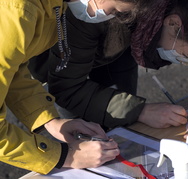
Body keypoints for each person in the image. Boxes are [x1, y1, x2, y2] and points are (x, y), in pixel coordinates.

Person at [29, 0, 188, 143]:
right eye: (187, 57)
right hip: (63, 54)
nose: (184, 63)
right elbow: (67, 86)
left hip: (120, 45)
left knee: (119, 130)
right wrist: (139, 111)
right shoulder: (94, 12)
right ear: (173, 24)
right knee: (86, 137)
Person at [0, 0, 157, 174]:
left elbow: (13, 68)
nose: (111, 18)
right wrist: (66, 156)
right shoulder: (17, 13)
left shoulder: (50, 6)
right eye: (114, 10)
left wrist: (49, 121)